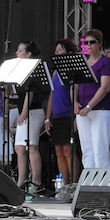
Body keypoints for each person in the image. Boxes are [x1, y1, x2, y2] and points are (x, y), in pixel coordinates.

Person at [75, 29, 110, 168]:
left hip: (101, 109)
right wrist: (74, 102)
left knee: (100, 149)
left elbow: (105, 87)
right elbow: (75, 85)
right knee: (87, 149)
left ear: (99, 43)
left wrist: (88, 106)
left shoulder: (106, 62)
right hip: (82, 110)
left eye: (92, 42)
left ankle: (102, 184)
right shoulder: (83, 61)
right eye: (86, 42)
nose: (89, 45)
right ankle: (89, 182)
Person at [13, 41, 48, 191]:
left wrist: (24, 112)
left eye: (20, 51)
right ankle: (21, 182)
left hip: (32, 111)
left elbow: (31, 91)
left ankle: (36, 182)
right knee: (19, 148)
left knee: (31, 146)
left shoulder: (33, 69)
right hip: (23, 111)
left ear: (28, 54)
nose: (17, 53)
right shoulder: (18, 70)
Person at [45, 39, 79, 184]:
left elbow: (76, 92)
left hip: (68, 114)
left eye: (60, 49)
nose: (57, 52)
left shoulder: (72, 70)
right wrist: (48, 118)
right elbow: (52, 96)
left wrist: (76, 117)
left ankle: (74, 183)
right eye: (56, 49)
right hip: (57, 116)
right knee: (58, 151)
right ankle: (64, 184)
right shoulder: (55, 73)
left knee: (68, 151)